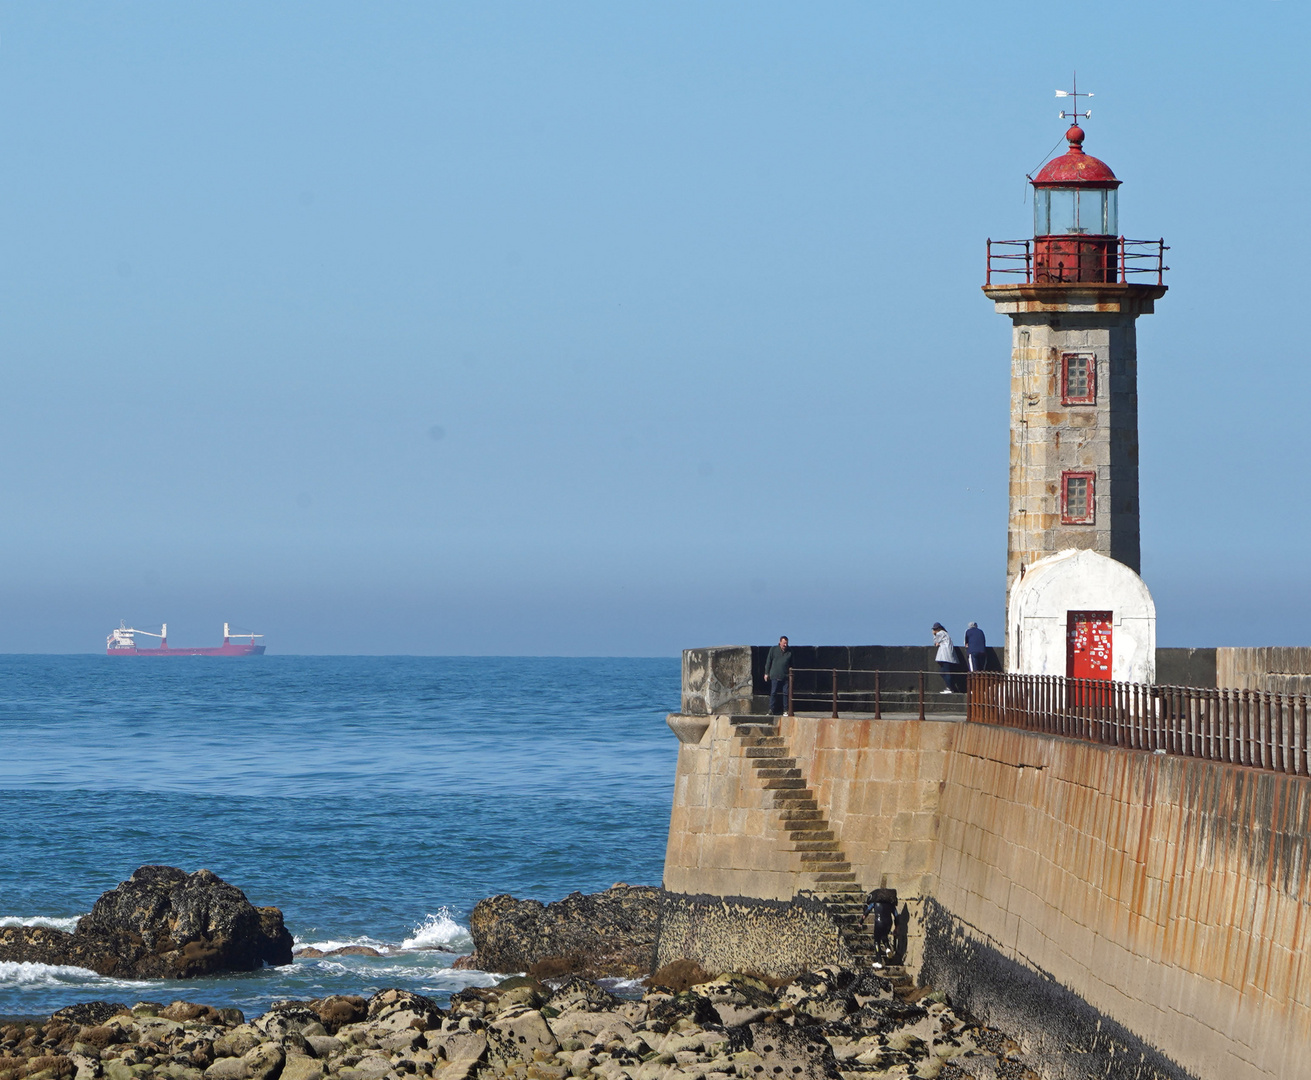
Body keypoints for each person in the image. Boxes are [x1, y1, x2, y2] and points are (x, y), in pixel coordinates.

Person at [763, 636, 793, 715]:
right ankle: (771, 710)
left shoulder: (790, 652)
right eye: (783, 643)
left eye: (786, 643)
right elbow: (768, 661)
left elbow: (792, 664)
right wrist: (766, 673)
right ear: (780, 642)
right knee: (773, 693)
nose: (785, 645)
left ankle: (785, 710)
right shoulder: (773, 649)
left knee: (786, 693)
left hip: (785, 675)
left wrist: (791, 675)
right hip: (775, 675)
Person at [932, 623, 956, 693]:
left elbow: (935, 641)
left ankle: (950, 688)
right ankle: (950, 687)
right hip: (947, 655)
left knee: (945, 672)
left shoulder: (940, 633)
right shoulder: (945, 634)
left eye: (935, 629)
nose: (934, 631)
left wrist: (934, 635)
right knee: (943, 671)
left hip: (945, 655)